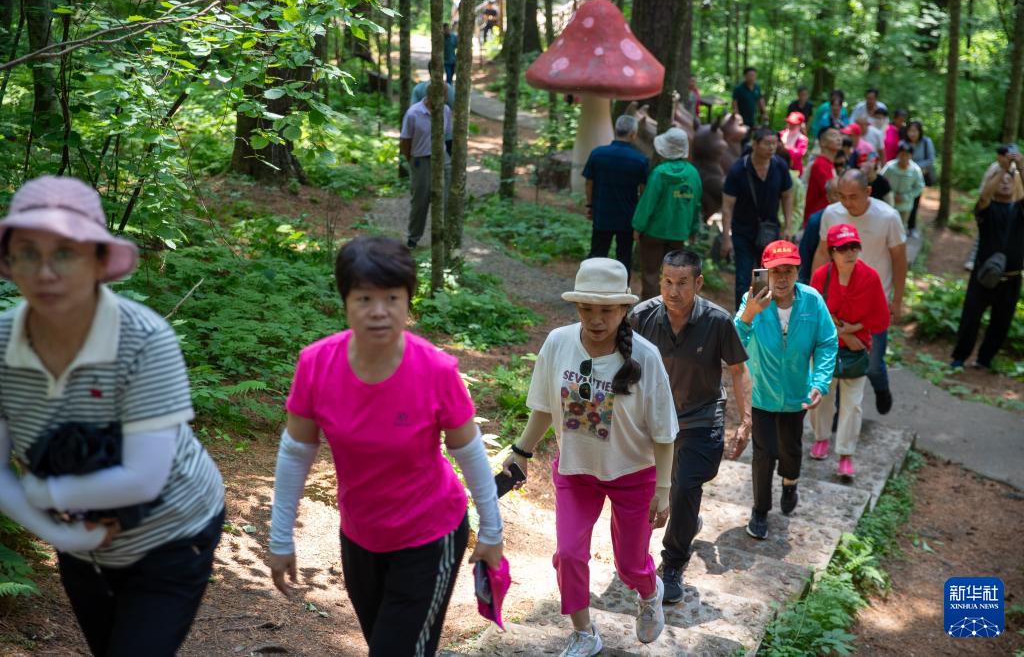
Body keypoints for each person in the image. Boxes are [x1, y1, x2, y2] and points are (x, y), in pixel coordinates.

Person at [0, 176, 225, 656]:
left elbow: (144, 478)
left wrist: (42, 492)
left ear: (100, 262)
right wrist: (57, 531)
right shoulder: (1, 344)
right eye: (27, 252)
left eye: (66, 252)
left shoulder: (144, 339)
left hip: (173, 531)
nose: (45, 272)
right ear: (8, 262)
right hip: (79, 544)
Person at [268, 236, 504, 656]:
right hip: (360, 536)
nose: (379, 311)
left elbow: (468, 451)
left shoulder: (435, 369)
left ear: (408, 301)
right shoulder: (316, 364)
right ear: (346, 301)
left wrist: (492, 529)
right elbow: (296, 451)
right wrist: (280, 537)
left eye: (392, 297)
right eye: (364, 298)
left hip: (430, 537)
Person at [502, 258, 678, 656]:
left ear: (623, 310)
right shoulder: (558, 343)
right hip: (576, 470)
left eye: (606, 310)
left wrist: (663, 490)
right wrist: (521, 451)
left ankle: (650, 593)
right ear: (576, 307)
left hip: (634, 473)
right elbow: (546, 405)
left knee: (630, 566)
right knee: (567, 554)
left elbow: (665, 432)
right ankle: (584, 632)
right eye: (587, 309)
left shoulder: (646, 358)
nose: (596, 319)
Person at [630, 250, 751, 605]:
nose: (672, 290)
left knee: (683, 487)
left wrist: (745, 422)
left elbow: (739, 369)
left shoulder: (717, 321)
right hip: (652, 419)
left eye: (682, 282)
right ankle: (639, 555)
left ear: (697, 283)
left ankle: (672, 565)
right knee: (645, 490)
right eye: (667, 281)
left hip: (700, 417)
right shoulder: (641, 316)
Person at [730, 240, 837, 540]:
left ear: (798, 272)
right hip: (762, 392)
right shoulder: (753, 299)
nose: (780, 278)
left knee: (790, 449)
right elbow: (733, 341)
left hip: (796, 394)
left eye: (788, 271)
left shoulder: (812, 301)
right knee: (763, 453)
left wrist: (820, 382)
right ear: (764, 272)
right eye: (775, 271)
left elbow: (827, 342)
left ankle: (790, 481)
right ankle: (760, 509)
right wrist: (749, 313)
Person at [814, 169, 907, 416]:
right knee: (837, 361)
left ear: (868, 192)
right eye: (841, 196)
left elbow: (899, 259)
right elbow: (823, 252)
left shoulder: (888, 216)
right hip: (837, 300)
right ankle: (837, 414)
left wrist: (897, 299)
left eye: (853, 196)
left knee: (873, 364)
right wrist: (816, 295)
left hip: (874, 302)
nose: (846, 202)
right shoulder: (832, 213)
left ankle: (882, 388)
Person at [809, 224, 890, 478]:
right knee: (821, 397)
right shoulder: (821, 276)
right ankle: (821, 438)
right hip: (825, 349)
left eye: (854, 246)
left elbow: (880, 318)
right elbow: (814, 315)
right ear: (832, 252)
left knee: (852, 405)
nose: (849, 252)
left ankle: (845, 454)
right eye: (842, 248)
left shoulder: (870, 278)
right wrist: (846, 333)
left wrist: (857, 329)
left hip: (856, 352)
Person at [951, 161, 1024, 370]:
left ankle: (985, 360)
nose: (1005, 182)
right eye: (1001, 179)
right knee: (970, 319)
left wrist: (1019, 164)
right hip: (983, 276)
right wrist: (1002, 169)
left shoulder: (1020, 210)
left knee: (1001, 323)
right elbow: (983, 196)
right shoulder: (986, 209)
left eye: (1010, 178)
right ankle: (959, 358)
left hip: (1011, 278)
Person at [720, 127, 795, 310]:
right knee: (744, 277)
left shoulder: (780, 166)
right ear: (755, 144)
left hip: (769, 231)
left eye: (774, 143)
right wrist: (726, 237)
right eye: (767, 143)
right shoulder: (739, 169)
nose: (772, 148)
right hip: (743, 231)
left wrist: (788, 226)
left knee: (764, 276)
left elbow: (787, 196)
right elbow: (727, 205)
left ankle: (760, 317)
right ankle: (741, 318)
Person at [633, 128, 702, 301]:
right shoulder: (693, 174)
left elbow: (647, 203)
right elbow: (696, 205)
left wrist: (637, 226)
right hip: (679, 234)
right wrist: (693, 229)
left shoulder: (659, 173)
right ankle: (669, 309)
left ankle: (648, 311)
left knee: (651, 273)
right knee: (674, 277)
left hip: (653, 232)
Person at [583, 115, 649, 276]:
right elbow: (643, 192)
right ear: (633, 134)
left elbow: (589, 183)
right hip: (627, 218)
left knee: (597, 255)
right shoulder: (640, 160)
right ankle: (621, 297)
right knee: (623, 259)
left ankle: (591, 291)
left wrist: (590, 206)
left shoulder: (598, 154)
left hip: (602, 214)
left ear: (616, 130)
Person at [400, 90, 452, 249]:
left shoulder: (445, 110)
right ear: (430, 96)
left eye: (445, 95)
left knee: (446, 198)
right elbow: (405, 140)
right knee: (420, 200)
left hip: (442, 158)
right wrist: (412, 159)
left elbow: (448, 136)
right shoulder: (413, 113)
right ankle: (413, 238)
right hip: (420, 159)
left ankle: (445, 237)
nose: (445, 98)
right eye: (442, 95)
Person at [798, 179, 839, 284]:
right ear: (828, 198)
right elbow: (806, 254)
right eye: (835, 194)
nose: (840, 199)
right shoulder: (816, 220)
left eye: (842, 194)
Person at [880, 142, 925, 228]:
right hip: (889, 203)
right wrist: (890, 195)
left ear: (911, 156)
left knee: (901, 227)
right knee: (887, 226)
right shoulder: (890, 167)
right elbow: (881, 181)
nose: (904, 158)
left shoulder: (915, 170)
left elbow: (919, 187)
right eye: (902, 155)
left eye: (906, 155)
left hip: (906, 205)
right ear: (898, 155)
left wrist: (905, 197)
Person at [802, 126, 841, 226]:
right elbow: (834, 193)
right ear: (822, 142)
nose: (839, 138)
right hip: (818, 219)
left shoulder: (828, 164)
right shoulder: (820, 164)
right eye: (833, 135)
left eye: (839, 135)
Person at [903, 120, 936, 233]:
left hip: (919, 177)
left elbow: (931, 160)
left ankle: (912, 227)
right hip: (904, 177)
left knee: (915, 200)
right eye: (910, 130)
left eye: (915, 131)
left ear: (919, 131)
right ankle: (903, 225)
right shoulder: (903, 144)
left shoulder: (926, 142)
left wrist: (915, 167)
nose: (912, 133)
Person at [731, 67, 766, 131]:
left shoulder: (757, 88)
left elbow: (761, 101)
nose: (752, 77)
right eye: (750, 75)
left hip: (753, 118)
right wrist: (737, 118)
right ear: (745, 76)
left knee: (753, 135)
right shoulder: (738, 89)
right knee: (742, 137)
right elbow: (734, 104)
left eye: (754, 75)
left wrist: (764, 113)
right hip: (741, 119)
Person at [779, 112, 809, 177]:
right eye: (790, 123)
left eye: (794, 124)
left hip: (794, 170)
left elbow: (800, 153)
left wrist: (784, 149)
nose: (791, 125)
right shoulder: (781, 134)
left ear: (800, 125)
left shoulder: (802, 139)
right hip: (779, 166)